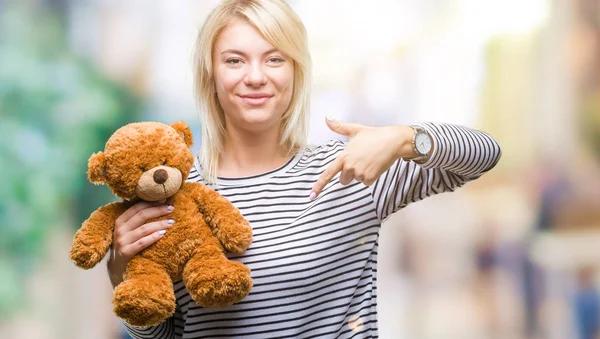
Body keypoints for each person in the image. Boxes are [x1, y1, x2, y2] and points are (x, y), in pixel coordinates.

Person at [108, 0, 502, 338]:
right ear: (211, 76)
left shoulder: (348, 169)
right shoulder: (171, 191)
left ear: (295, 72)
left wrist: (404, 138)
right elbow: (162, 334)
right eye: (234, 60)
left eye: (274, 58)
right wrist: (122, 271)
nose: (256, 76)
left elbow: (484, 153)